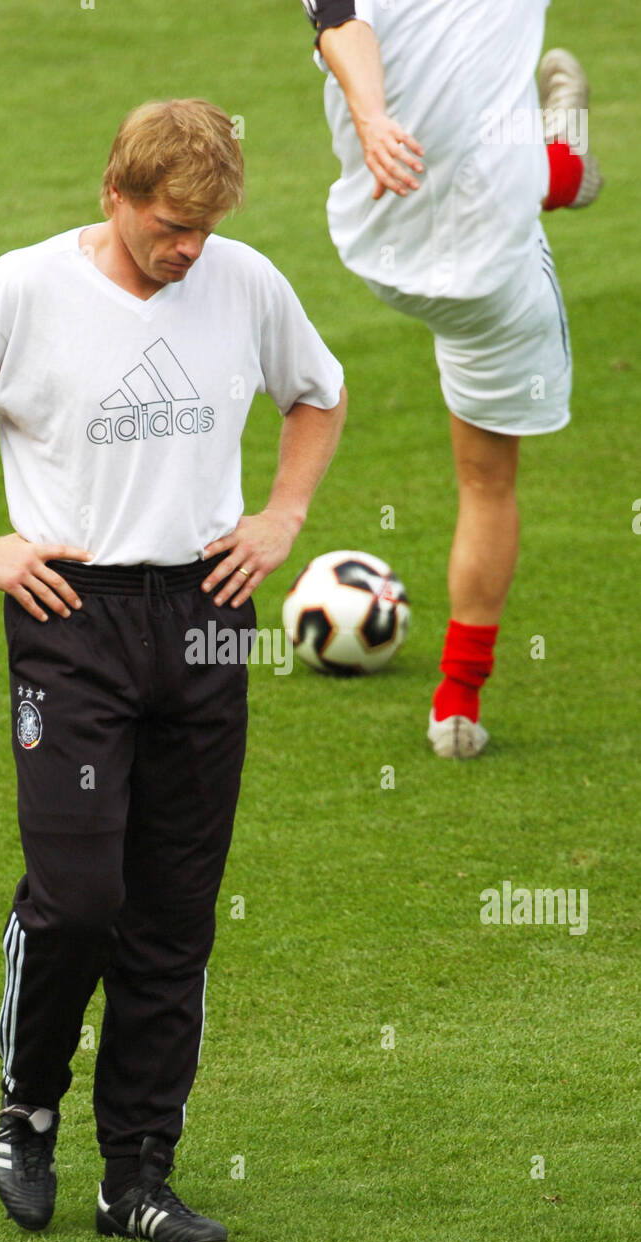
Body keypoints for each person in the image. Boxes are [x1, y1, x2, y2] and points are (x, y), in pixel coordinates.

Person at [0, 98, 347, 1242]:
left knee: (175, 913)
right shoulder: (25, 292)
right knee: (82, 899)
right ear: (115, 195)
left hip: (209, 611)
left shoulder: (244, 280)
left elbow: (317, 393)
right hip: (75, 616)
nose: (190, 248)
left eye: (206, 226)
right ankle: (27, 1109)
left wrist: (282, 514)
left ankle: (136, 1174)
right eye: (171, 226)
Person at [302, 2, 602, 757]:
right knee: (487, 482)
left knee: (485, 181)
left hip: (379, 251)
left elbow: (338, 24)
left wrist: (370, 120)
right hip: (489, 281)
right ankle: (560, 164)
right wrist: (373, 118)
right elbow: (343, 27)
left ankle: (546, 167)